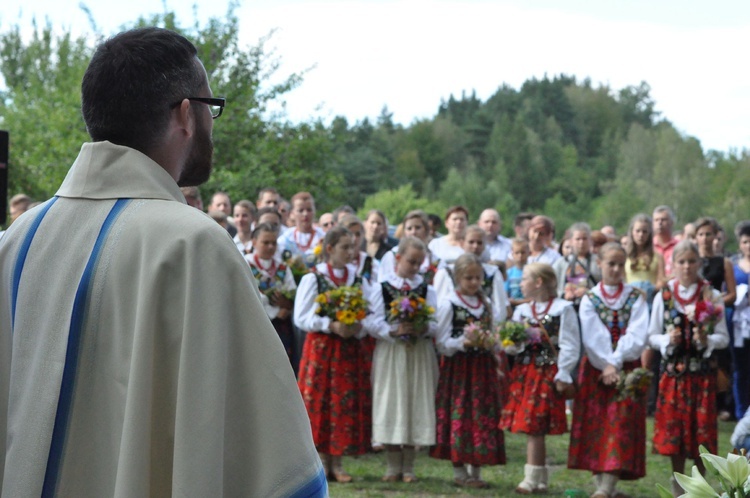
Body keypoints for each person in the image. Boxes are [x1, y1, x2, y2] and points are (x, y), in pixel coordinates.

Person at [0, 27, 325, 497]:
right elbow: (265, 458)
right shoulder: (193, 246)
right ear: (187, 114)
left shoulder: (17, 242)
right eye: (211, 107)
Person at [567, 243, 650, 498]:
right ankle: (602, 485)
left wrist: (615, 362)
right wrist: (606, 364)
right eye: (610, 264)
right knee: (597, 425)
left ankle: (607, 487)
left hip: (625, 369)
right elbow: (592, 336)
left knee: (620, 423)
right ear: (599, 264)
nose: (615, 269)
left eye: (619, 264)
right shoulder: (590, 299)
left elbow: (637, 334)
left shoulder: (635, 297)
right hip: (595, 369)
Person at [294, 226, 375, 483]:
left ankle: (337, 463)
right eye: (345, 247)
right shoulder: (313, 278)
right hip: (322, 349)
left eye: (353, 247)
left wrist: (356, 326)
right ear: (329, 249)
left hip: (348, 350)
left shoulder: (359, 279)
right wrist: (330, 324)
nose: (351, 252)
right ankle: (318, 464)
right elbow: (301, 317)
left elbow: (371, 314)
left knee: (342, 403)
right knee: (321, 401)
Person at [648, 240, 729, 495]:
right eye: (681, 262)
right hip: (674, 375)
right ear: (673, 264)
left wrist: (706, 340)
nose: (686, 267)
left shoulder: (711, 295)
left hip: (702, 375)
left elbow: (724, 337)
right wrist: (665, 340)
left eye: (691, 261)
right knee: (676, 433)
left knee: (701, 433)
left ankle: (699, 487)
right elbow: (652, 335)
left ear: (699, 263)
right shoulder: (665, 294)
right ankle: (678, 487)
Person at [500, 263, 580, 495]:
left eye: (524, 279)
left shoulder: (562, 309)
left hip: (546, 374)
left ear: (538, 282)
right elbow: (512, 347)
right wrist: (514, 342)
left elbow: (570, 344)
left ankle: (531, 478)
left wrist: (563, 373)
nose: (520, 283)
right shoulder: (522, 311)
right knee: (532, 425)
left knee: (535, 425)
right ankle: (539, 478)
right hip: (526, 372)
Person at [432, 253, 506, 488]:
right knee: (459, 413)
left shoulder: (486, 304)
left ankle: (477, 468)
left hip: (482, 368)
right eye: (469, 278)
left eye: (478, 278)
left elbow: (494, 334)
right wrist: (462, 342)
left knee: (481, 415)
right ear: (458, 278)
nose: (474, 283)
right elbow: (442, 341)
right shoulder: (450, 303)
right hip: (460, 369)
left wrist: (492, 342)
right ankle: (459, 469)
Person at [369, 236, 439, 483]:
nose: (415, 267)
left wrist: (422, 328)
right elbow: (373, 321)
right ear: (398, 258)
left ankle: (408, 467)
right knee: (391, 402)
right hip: (392, 352)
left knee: (414, 403)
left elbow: (435, 322)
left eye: (419, 263)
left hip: (418, 353)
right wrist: (392, 330)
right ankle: (391, 466)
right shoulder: (382, 287)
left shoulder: (426, 289)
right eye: (411, 261)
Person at [694, 216, 737, 421]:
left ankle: (719, 404)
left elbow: (732, 293)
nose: (704, 238)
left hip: (716, 316)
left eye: (708, 234)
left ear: (715, 236)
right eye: (700, 234)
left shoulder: (724, 262)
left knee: (720, 361)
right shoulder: (691, 262)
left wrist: (715, 303)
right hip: (695, 316)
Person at [433, 225, 510, 324]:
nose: (475, 246)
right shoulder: (447, 272)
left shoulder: (492, 273)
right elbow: (439, 303)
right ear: (462, 243)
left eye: (479, 243)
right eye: (471, 242)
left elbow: (500, 307)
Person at [248, 222, 297, 371]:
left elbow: (293, 293)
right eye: (265, 242)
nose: (270, 247)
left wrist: (287, 306)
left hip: (280, 326)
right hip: (255, 326)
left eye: (273, 243)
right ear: (254, 242)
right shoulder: (245, 264)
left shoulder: (282, 267)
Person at [379, 210, 439, 285]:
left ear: (426, 230)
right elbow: (383, 283)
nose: (413, 232)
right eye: (409, 228)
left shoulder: (434, 260)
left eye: (418, 228)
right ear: (404, 232)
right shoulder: (392, 255)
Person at [553, 222, 601, 310]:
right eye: (578, 239)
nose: (581, 242)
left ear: (590, 240)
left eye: (584, 239)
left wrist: (590, 293)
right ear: (571, 241)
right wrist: (564, 294)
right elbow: (552, 285)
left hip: (592, 307)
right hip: (566, 306)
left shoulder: (599, 261)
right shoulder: (562, 263)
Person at [277, 191, 326, 266]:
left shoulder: (323, 237)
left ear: (314, 211)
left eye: (309, 210)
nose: (305, 214)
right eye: (301, 210)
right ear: (292, 213)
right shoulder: (286, 238)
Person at [733, 222, 750, 419]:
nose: (748, 246)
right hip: (738, 324)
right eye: (745, 242)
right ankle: (741, 411)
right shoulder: (734, 267)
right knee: (739, 368)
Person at [653, 205, 679, 279]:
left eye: (663, 220)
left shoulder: (679, 246)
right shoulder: (648, 246)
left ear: (672, 222)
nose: (659, 223)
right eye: (656, 220)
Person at [506, 238, 531, 309]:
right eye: (517, 253)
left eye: (523, 252)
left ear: (528, 253)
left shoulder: (533, 271)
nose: (520, 255)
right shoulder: (509, 273)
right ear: (512, 254)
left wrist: (517, 302)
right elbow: (505, 294)